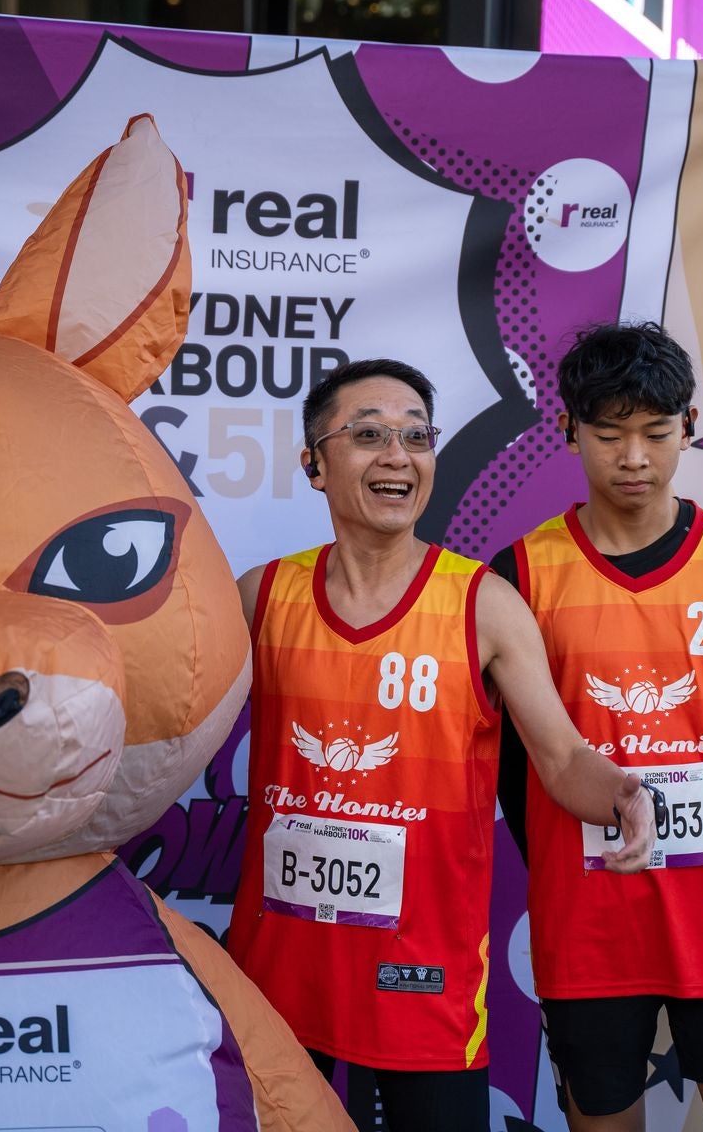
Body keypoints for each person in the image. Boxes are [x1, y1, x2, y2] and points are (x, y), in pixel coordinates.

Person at [229, 358, 656, 1132]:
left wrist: (624, 794)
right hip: (280, 971)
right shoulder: (261, 596)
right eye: (368, 436)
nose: (398, 455)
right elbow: (176, 720)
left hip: (421, 978)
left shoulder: (484, 604)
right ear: (314, 465)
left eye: (416, 437)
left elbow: (562, 759)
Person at [491, 322, 703, 1132]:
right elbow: (519, 768)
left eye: (657, 434)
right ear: (569, 431)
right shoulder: (520, 574)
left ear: (689, 427)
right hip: (588, 918)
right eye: (609, 436)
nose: (634, 458)